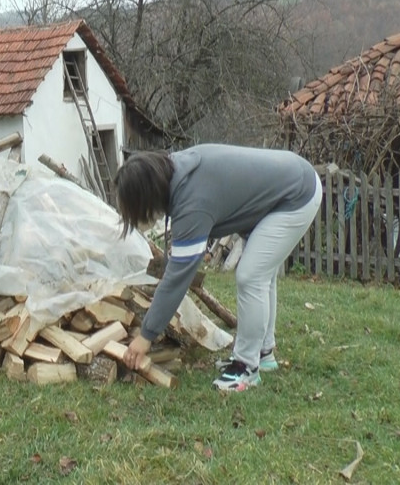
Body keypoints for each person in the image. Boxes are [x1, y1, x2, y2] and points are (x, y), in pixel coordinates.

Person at [116, 144, 322, 392]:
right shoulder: (174, 171)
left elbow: (177, 279)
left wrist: (145, 336)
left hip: (297, 194)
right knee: (260, 275)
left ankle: (246, 367)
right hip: (292, 177)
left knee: (251, 276)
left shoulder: (191, 201)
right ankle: (263, 353)